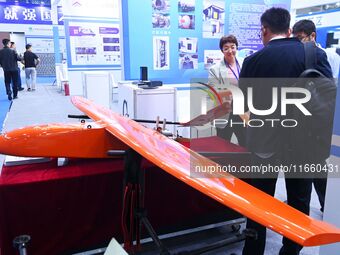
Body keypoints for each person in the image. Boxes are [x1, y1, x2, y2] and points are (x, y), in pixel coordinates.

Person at [239, 8, 332, 255]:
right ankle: (290, 251)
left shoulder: (252, 61)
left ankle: (253, 250)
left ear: (264, 30)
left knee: (258, 203)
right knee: (299, 202)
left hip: (263, 142)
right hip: (305, 143)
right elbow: (327, 98)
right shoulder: (314, 55)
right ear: (289, 30)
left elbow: (243, 108)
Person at [208, 35, 246, 146]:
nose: (230, 51)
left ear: (236, 48)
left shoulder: (245, 63)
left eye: (233, 47)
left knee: (245, 143)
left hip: (242, 110)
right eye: (226, 48)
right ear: (222, 50)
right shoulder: (215, 69)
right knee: (223, 144)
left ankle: (245, 164)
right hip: (224, 111)